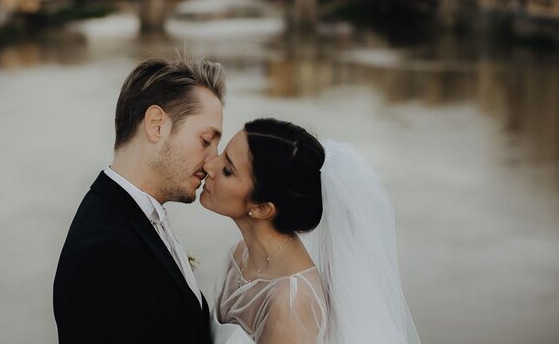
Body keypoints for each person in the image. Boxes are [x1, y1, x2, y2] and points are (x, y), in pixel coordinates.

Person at [201, 118, 421, 344]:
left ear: (262, 208)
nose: (209, 166)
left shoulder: (290, 302)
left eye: (227, 170)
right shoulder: (239, 255)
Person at [53, 57, 226, 344]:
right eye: (205, 141)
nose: (212, 163)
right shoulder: (105, 255)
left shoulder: (131, 216)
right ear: (157, 125)